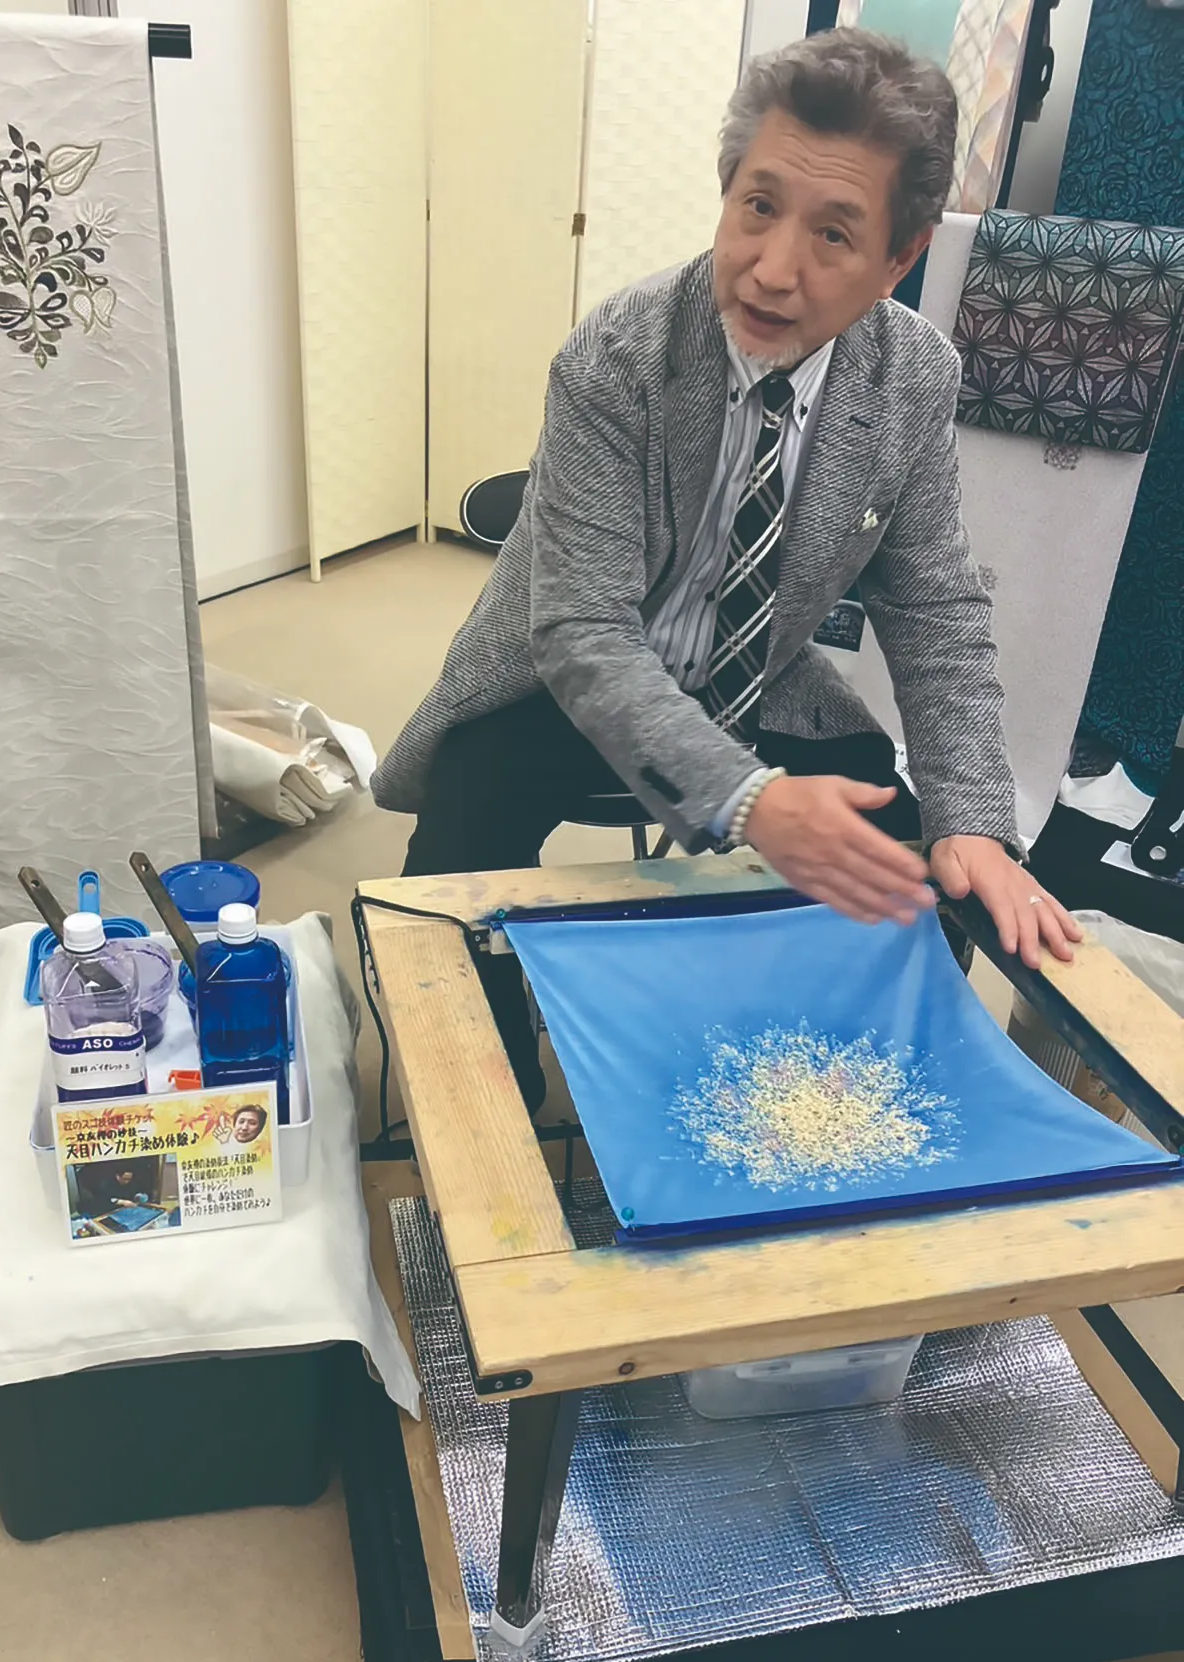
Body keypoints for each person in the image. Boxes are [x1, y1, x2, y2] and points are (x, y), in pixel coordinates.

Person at [373, 28, 1080, 1110]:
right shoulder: (617, 356)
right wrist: (746, 799)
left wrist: (974, 818)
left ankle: (804, 1092)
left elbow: (935, 606)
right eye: (758, 206)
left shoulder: (912, 378)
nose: (772, 268)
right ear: (726, 191)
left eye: (833, 233)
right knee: (445, 898)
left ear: (899, 260)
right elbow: (582, 634)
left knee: (912, 872)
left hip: (757, 676)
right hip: (560, 674)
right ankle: (487, 1120)